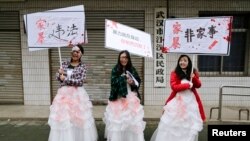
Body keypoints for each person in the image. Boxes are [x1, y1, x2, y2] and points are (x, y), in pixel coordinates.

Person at [48, 44, 98, 141]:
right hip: (64, 96)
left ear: (81, 54)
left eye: (78, 51)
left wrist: (65, 79)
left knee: (78, 118)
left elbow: (80, 81)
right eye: (73, 51)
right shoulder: (65, 63)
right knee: (65, 118)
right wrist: (59, 73)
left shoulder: (83, 66)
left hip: (78, 95)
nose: (75, 53)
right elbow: (58, 77)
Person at [150, 54, 206, 141]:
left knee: (187, 125)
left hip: (190, 103)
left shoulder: (193, 72)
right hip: (177, 102)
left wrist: (194, 78)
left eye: (185, 60)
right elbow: (174, 87)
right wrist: (187, 85)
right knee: (173, 124)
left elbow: (198, 85)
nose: (182, 62)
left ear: (188, 62)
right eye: (181, 60)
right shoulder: (174, 73)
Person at [103, 50, 146, 141]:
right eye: (122, 57)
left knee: (131, 121)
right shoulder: (115, 69)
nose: (124, 59)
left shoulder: (132, 69)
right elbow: (113, 83)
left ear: (128, 59)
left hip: (130, 97)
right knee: (118, 122)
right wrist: (123, 78)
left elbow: (138, 81)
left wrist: (132, 82)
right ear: (119, 58)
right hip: (119, 98)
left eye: (126, 57)